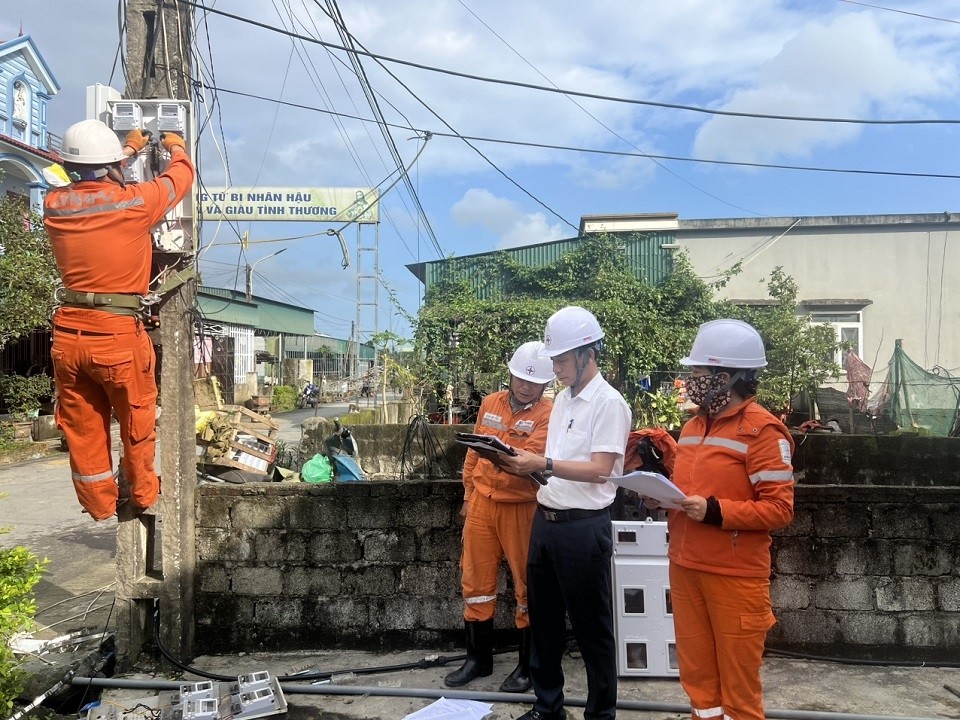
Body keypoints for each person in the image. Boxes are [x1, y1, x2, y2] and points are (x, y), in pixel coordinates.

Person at [44, 119, 195, 520]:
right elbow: (180, 178)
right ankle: (143, 493)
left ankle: (98, 504)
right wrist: (176, 146)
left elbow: (95, 184)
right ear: (111, 164)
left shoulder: (54, 205)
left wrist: (127, 150)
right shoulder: (137, 202)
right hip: (115, 334)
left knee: (82, 427)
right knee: (136, 416)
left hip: (68, 334)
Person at [645, 319, 794, 720]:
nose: (690, 381)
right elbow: (687, 491)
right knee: (699, 683)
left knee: (739, 693)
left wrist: (713, 511)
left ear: (725, 377)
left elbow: (779, 509)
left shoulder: (763, 432)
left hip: (735, 576)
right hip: (685, 566)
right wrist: (661, 499)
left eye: (697, 374)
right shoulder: (693, 426)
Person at [500, 306, 631, 720]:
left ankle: (600, 714)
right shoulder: (561, 402)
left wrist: (542, 465)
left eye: (560, 359)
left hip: (583, 528)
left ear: (587, 353)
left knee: (593, 629)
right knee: (545, 623)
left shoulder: (609, 403)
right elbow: (554, 460)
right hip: (548, 520)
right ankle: (548, 706)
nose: (553, 368)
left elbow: (601, 469)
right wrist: (522, 462)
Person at [445, 341, 555, 693]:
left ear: (545, 385)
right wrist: (467, 494)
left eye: (533, 381)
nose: (525, 385)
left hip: (521, 508)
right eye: (521, 377)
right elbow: (474, 454)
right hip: (481, 503)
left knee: (526, 586)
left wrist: (502, 457)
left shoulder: (548, 414)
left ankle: (527, 667)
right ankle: (478, 659)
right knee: (475, 581)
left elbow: (531, 459)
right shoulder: (491, 403)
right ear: (510, 373)